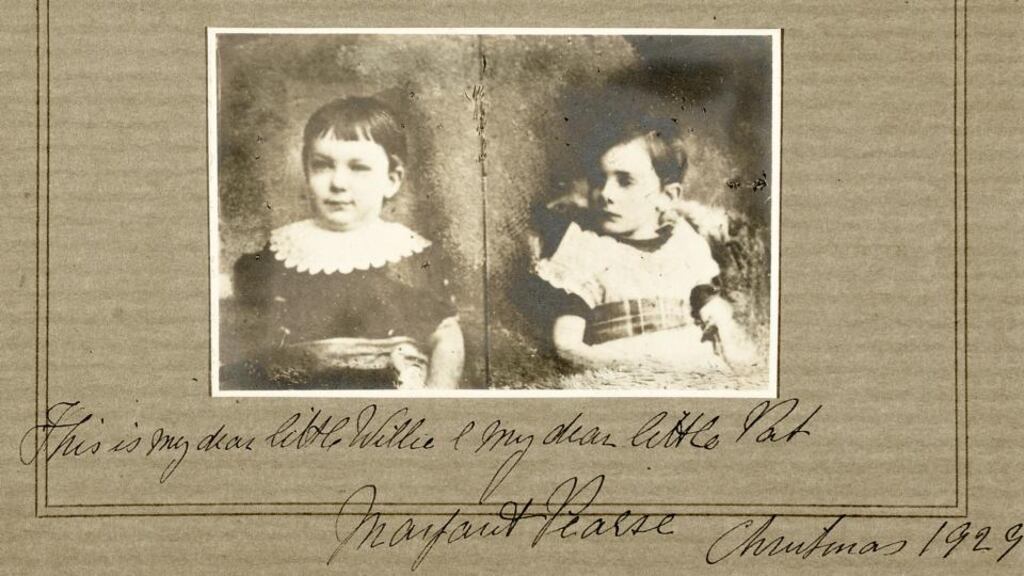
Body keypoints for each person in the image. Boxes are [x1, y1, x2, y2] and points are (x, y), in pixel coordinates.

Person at [222, 96, 464, 390]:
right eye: (322, 165)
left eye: (358, 168)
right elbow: (248, 336)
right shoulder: (279, 252)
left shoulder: (413, 256)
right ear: (306, 170)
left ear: (392, 178)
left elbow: (445, 336)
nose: (338, 183)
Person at [531, 112, 758, 384]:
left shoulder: (685, 244)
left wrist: (723, 326)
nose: (606, 193)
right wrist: (636, 368)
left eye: (625, 181)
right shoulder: (585, 250)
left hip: (693, 370)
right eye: (598, 179)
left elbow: (710, 304)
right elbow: (565, 345)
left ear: (667, 196)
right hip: (624, 375)